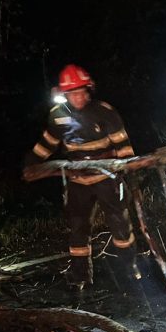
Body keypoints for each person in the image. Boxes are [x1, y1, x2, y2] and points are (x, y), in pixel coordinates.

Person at [25, 64, 137, 287]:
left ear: (89, 91)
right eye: (72, 93)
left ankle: (129, 271)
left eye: (81, 92)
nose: (78, 98)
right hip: (77, 182)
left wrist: (129, 174)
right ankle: (80, 277)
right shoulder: (58, 116)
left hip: (107, 178)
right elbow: (47, 144)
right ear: (65, 94)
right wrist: (32, 164)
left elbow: (124, 147)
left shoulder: (105, 112)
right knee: (78, 228)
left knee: (120, 226)